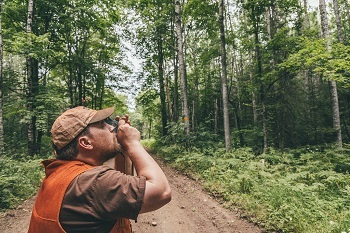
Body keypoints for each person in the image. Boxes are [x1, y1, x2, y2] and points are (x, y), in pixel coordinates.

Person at [27, 106, 171, 233]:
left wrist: (125, 148)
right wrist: (133, 142)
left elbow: (120, 195)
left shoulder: (63, 173)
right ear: (85, 143)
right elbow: (161, 192)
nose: (111, 128)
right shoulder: (92, 182)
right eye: (102, 125)